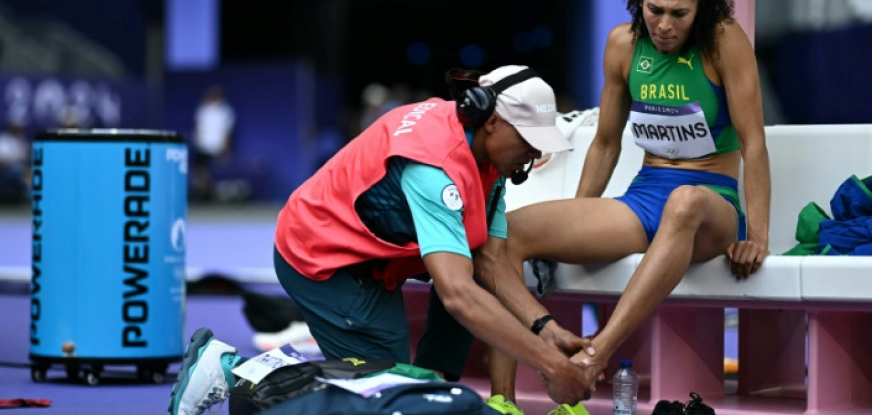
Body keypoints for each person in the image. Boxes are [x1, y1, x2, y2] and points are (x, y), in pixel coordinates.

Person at [167, 65, 596, 415]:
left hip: (368, 256)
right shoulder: (435, 167)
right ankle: (230, 370)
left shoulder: (493, 163)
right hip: (323, 259)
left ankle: (429, 398)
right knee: (381, 394)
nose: (535, 155)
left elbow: (492, 263)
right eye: (528, 141)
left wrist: (546, 329)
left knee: (414, 387)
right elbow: (459, 295)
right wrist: (551, 364)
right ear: (493, 122)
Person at [485, 0, 771, 415]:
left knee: (685, 202)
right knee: (505, 233)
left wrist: (758, 235)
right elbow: (604, 143)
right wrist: (574, 222)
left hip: (711, 204)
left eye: (678, 14)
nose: (663, 24)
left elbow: (753, 142)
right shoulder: (623, 45)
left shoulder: (724, 42)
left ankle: (594, 357)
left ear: (702, 8)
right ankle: (502, 401)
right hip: (644, 198)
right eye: (653, 9)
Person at [190, 85, 236, 200]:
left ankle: (212, 195)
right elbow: (197, 127)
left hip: (216, 147)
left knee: (214, 173)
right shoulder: (202, 110)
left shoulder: (226, 111)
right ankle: (201, 193)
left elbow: (227, 131)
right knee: (200, 171)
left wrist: (225, 147)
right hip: (202, 146)